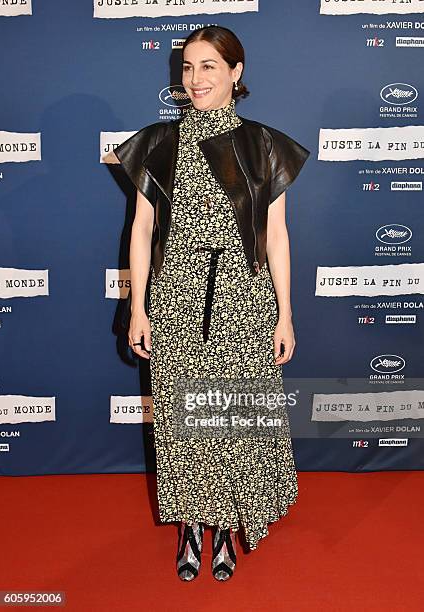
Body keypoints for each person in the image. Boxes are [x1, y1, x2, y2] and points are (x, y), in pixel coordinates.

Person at [113, 25, 310, 582]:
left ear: (235, 73)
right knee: (181, 422)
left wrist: (285, 313)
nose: (194, 80)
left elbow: (277, 236)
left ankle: (224, 529)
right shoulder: (157, 143)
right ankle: (190, 527)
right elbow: (142, 227)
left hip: (243, 299)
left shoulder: (265, 144)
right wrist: (139, 307)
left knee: (231, 420)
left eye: (207, 67)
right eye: (188, 68)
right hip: (176, 294)